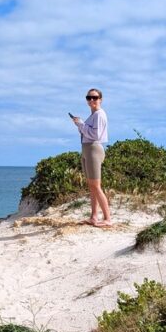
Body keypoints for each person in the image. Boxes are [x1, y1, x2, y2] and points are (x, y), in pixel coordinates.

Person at [71, 88, 112, 227]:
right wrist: (80, 124)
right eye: (89, 97)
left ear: (101, 99)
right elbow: (87, 132)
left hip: (94, 148)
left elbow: (95, 135)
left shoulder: (99, 114)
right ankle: (94, 216)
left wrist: (80, 124)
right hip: (87, 149)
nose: (92, 100)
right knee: (92, 186)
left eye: (95, 97)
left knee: (96, 185)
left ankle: (107, 218)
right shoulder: (93, 115)